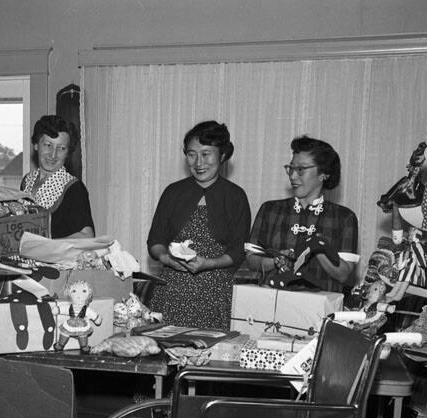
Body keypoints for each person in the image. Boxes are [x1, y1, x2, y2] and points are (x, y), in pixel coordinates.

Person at [147, 121, 251, 330]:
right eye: (192, 154)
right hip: (172, 290)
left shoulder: (235, 196)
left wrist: (208, 263)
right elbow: (155, 241)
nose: (198, 162)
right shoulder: (173, 192)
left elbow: (238, 251)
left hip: (216, 293)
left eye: (206, 154)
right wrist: (166, 258)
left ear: (222, 156)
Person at [247, 136, 357, 293]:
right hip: (273, 302)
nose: (292, 176)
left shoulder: (344, 217)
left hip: (320, 309)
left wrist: (317, 247)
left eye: (301, 170)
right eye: (291, 168)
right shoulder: (270, 209)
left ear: (323, 174)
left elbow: (343, 275)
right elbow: (251, 260)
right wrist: (276, 261)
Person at [20, 114, 95, 239]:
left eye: (61, 148)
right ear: (36, 145)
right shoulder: (27, 181)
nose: (53, 155)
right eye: (48, 145)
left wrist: (47, 246)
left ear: (68, 153)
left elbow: (86, 235)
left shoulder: (74, 188)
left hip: (56, 258)